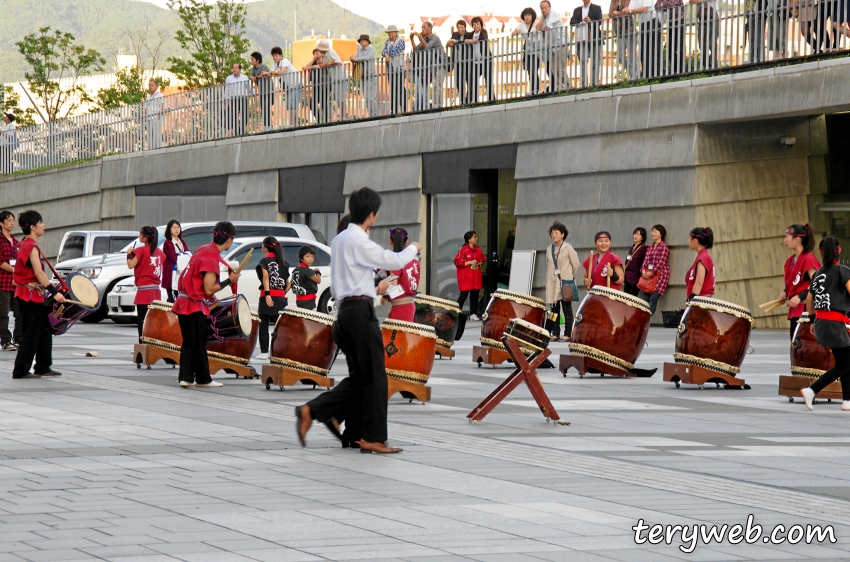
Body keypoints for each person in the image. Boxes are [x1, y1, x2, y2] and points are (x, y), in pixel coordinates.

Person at [296, 187, 422, 454]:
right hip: (359, 314)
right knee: (376, 378)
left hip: (344, 315)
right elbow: (394, 260)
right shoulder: (359, 240)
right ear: (372, 214)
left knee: (362, 377)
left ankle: (353, 433)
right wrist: (414, 247)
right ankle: (368, 435)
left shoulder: (340, 239)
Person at [172, 222, 240, 388]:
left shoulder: (203, 249)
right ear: (229, 240)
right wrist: (228, 281)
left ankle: (186, 377)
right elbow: (209, 288)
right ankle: (203, 379)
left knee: (188, 341)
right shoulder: (210, 257)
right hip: (194, 303)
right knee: (199, 342)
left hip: (183, 301)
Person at [12, 210, 66, 379]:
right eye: (41, 223)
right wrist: (55, 292)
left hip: (31, 294)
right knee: (30, 333)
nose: (44, 226)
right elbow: (39, 273)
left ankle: (43, 366)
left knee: (44, 330)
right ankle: (21, 370)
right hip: (29, 296)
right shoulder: (30, 246)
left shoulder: (24, 244)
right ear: (33, 227)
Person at [800, 237, 850, 412]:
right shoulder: (842, 271)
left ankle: (847, 401)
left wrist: (813, 321)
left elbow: (809, 299)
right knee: (845, 364)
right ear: (839, 249)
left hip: (821, 322)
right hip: (835, 323)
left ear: (820, 251)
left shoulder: (818, 273)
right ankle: (811, 390)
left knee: (844, 360)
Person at [780, 223, 819, 339]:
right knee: (795, 346)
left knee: (804, 346)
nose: (784, 240)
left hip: (807, 310)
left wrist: (800, 296)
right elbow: (793, 284)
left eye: (787, 236)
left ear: (796, 239)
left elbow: (818, 283)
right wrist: (785, 292)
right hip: (795, 310)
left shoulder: (808, 259)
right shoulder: (789, 261)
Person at [127, 226, 165, 343]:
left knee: (142, 321)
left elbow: (131, 265)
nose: (139, 236)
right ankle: (153, 345)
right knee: (153, 321)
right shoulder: (159, 252)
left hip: (143, 293)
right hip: (155, 292)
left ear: (144, 237)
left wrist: (129, 254)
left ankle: (142, 347)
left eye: (140, 234)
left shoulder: (140, 250)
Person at [254, 237, 289, 360]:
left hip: (266, 295)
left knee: (263, 323)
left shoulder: (264, 261)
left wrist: (268, 294)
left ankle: (264, 352)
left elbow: (265, 278)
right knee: (279, 325)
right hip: (280, 297)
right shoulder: (283, 262)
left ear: (265, 247)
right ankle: (282, 351)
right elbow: (288, 283)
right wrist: (282, 293)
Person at [545, 221, 580, 341]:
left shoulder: (568, 248)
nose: (553, 235)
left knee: (566, 308)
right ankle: (555, 333)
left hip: (564, 282)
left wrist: (568, 275)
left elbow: (576, 264)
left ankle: (567, 333)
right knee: (554, 309)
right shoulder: (549, 249)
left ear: (562, 234)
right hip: (552, 283)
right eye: (552, 233)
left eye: (556, 232)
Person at [410, 22, 448, 110]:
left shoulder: (434, 38)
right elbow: (416, 49)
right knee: (433, 86)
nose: (422, 29)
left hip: (441, 63)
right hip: (432, 66)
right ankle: (433, 106)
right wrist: (412, 39)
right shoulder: (424, 38)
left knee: (437, 86)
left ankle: (437, 106)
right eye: (421, 27)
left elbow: (427, 47)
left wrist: (419, 37)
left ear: (430, 28)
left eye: (424, 27)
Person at [385, 227, 420, 321]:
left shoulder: (394, 261)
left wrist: (382, 291)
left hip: (399, 308)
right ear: (407, 242)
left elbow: (394, 287)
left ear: (390, 241)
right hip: (411, 306)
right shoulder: (415, 262)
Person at [263, 46, 301, 128]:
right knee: (290, 104)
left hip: (295, 84)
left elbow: (281, 72)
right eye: (273, 56)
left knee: (293, 104)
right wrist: (266, 73)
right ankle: (292, 123)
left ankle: (295, 124)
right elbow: (271, 72)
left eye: (276, 55)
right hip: (288, 86)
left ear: (281, 55)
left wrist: (271, 73)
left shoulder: (284, 61)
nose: (274, 57)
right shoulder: (275, 64)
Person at [623, 0, 661, 78]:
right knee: (643, 50)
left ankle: (655, 74)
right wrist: (627, 9)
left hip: (653, 22)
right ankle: (646, 74)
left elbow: (644, 9)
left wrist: (629, 10)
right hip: (643, 24)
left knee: (654, 49)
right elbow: (629, 10)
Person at [0, 210, 21, 351]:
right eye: (8, 220)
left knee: (19, 313)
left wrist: (19, 275)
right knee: (3, 313)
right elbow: (1, 262)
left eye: (13, 220)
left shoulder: (16, 242)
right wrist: (15, 271)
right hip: (3, 282)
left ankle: (18, 339)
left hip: (17, 284)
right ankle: (6, 341)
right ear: (1, 223)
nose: (12, 223)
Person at [638, 224, 669, 315]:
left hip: (660, 276)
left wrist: (652, 272)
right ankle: (643, 318)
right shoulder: (650, 247)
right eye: (652, 231)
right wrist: (643, 270)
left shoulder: (663, 246)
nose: (653, 233)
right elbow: (645, 260)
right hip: (648, 277)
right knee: (645, 299)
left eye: (656, 231)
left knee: (653, 299)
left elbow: (662, 262)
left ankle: (646, 318)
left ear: (661, 234)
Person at [571, 0, 603, 87]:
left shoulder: (597, 8)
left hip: (595, 38)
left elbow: (599, 21)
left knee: (595, 62)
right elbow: (572, 22)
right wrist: (581, 23)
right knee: (583, 60)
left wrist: (590, 21)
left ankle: (594, 83)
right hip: (582, 38)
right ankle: (583, 83)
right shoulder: (577, 10)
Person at [536, 0, 567, 92]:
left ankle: (569, 87)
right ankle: (558, 88)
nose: (544, 10)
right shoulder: (543, 16)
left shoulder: (553, 14)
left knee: (560, 69)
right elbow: (537, 28)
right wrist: (542, 18)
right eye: (542, 8)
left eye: (545, 8)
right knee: (553, 69)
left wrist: (544, 26)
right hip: (552, 46)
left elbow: (548, 26)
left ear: (550, 7)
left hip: (561, 44)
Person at [454, 231, 486, 320]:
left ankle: (473, 314)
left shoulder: (478, 250)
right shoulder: (463, 250)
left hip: (475, 276)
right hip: (466, 276)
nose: (476, 239)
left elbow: (483, 259)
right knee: (463, 295)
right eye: (474, 237)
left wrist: (479, 263)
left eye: (476, 237)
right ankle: (455, 312)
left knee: (475, 295)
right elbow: (457, 262)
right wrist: (470, 262)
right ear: (469, 239)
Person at [512, 8, 542, 95]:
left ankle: (535, 90)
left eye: (529, 15)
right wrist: (516, 32)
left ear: (532, 16)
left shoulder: (536, 23)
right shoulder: (522, 25)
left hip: (536, 49)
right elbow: (513, 33)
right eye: (525, 15)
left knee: (534, 70)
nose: (527, 17)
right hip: (527, 51)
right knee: (529, 70)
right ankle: (533, 90)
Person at [316, 40, 346, 122]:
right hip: (334, 78)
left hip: (340, 77)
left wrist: (328, 64)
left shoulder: (331, 52)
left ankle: (343, 117)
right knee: (338, 98)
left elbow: (338, 61)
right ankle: (342, 116)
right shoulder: (324, 55)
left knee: (341, 97)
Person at [608, 0, 637, 80]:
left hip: (629, 30)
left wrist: (617, 13)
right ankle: (632, 71)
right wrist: (616, 13)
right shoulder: (613, 1)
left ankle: (633, 76)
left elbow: (626, 12)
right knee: (620, 57)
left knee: (631, 55)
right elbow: (610, 14)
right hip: (619, 32)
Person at [351, 34, 379, 118]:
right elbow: (354, 57)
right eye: (361, 40)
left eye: (363, 40)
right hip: (363, 77)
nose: (362, 42)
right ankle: (371, 115)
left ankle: (376, 114)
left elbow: (368, 57)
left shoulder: (371, 49)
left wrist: (356, 59)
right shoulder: (359, 50)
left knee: (371, 98)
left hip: (371, 75)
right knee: (366, 99)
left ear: (367, 41)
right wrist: (353, 59)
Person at [468, 17, 495, 102]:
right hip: (476, 62)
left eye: (478, 24)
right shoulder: (471, 34)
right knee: (473, 80)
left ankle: (491, 99)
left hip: (486, 60)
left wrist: (473, 40)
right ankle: (474, 100)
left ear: (481, 25)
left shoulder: (483, 31)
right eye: (474, 24)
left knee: (488, 80)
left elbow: (483, 38)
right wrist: (468, 40)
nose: (476, 26)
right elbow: (465, 39)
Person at [382, 25, 407, 114]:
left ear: (395, 32)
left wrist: (391, 46)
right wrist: (386, 55)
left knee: (400, 88)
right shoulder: (387, 41)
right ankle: (394, 110)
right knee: (393, 89)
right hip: (391, 69)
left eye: (391, 32)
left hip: (399, 69)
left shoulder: (401, 41)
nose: (390, 34)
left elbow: (394, 52)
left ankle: (403, 109)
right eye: (389, 33)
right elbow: (383, 51)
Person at [685, 227, 716, 299]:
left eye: (689, 238)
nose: (688, 241)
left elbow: (699, 282)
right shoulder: (703, 255)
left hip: (701, 299)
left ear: (695, 241)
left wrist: (692, 299)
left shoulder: (703, 257)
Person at [162, 220, 188, 303]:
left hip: (180, 274)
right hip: (171, 274)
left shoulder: (182, 242)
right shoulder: (168, 243)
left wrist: (182, 256)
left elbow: (188, 255)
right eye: (174, 228)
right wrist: (183, 256)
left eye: (178, 227)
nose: (176, 229)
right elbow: (174, 258)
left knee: (179, 298)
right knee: (172, 299)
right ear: (169, 230)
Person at [448, 20, 473, 104]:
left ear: (465, 28)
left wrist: (456, 42)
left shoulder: (469, 35)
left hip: (467, 61)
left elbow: (466, 42)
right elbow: (449, 42)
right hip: (458, 62)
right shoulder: (455, 35)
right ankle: (463, 100)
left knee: (468, 80)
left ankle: (470, 99)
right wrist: (450, 43)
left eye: (462, 27)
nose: (460, 29)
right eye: (459, 27)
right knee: (459, 81)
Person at [225, 63, 252, 135]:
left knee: (245, 115)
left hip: (242, 98)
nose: (234, 69)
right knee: (234, 116)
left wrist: (254, 94)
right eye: (233, 68)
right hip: (233, 99)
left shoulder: (244, 77)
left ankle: (241, 130)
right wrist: (227, 101)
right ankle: (237, 131)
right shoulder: (228, 78)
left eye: (236, 68)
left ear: (239, 69)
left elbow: (249, 88)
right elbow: (227, 90)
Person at [249, 52, 273, 131]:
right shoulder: (254, 68)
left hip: (268, 91)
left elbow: (263, 75)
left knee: (267, 108)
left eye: (252, 59)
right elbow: (251, 76)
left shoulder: (263, 66)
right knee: (263, 108)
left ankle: (269, 126)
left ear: (258, 60)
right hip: (262, 91)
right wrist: (253, 77)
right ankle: (266, 126)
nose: (251, 61)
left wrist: (256, 77)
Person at [303, 49, 328, 124]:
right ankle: (319, 119)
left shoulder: (325, 60)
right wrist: (313, 60)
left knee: (323, 102)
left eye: (318, 52)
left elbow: (320, 66)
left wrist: (310, 68)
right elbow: (306, 66)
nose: (316, 53)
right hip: (315, 85)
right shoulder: (314, 62)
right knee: (312, 103)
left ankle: (326, 121)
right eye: (314, 53)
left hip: (324, 85)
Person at [623, 227, 648, 296]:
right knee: (625, 296)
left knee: (632, 297)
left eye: (638, 235)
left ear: (642, 238)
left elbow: (643, 262)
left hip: (635, 277)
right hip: (627, 276)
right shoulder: (632, 248)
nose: (635, 236)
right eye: (635, 234)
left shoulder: (643, 248)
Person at [144, 79, 164, 150]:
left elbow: (161, 105)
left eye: (152, 85)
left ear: (156, 86)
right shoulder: (148, 97)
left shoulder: (159, 95)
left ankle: (159, 148)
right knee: (150, 135)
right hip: (149, 118)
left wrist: (159, 115)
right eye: (149, 85)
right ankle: (151, 148)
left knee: (156, 134)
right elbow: (146, 107)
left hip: (156, 118)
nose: (150, 87)